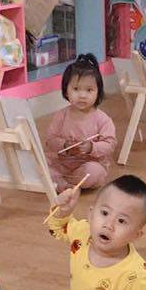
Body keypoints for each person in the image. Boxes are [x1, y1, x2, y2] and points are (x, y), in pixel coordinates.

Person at [45, 54, 117, 191]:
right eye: (76, 89)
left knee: (93, 172)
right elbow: (50, 140)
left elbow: (110, 145)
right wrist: (64, 145)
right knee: (39, 162)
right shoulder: (61, 115)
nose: (82, 95)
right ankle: (64, 184)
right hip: (62, 164)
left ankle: (63, 184)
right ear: (66, 91)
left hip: (89, 164)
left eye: (89, 90)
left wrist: (91, 148)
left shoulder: (103, 119)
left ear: (98, 92)